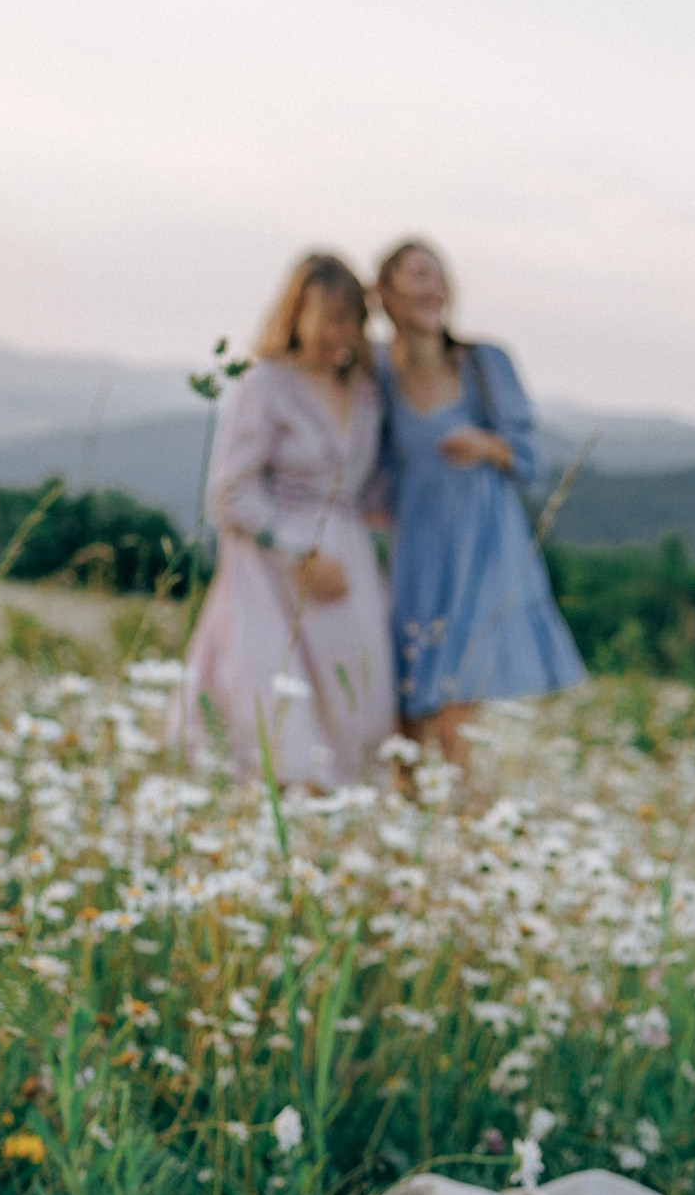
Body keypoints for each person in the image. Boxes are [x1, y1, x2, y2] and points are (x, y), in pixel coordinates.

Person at [182, 251, 393, 785]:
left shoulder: (366, 393)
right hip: (271, 568)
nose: (337, 331)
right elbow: (230, 490)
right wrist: (293, 551)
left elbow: (370, 487)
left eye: (349, 318)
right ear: (296, 313)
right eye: (326, 316)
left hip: (350, 561)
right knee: (275, 702)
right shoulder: (267, 384)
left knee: (355, 698)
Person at [374, 238, 584, 768]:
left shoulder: (484, 364)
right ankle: (409, 828)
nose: (433, 286)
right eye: (417, 274)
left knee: (455, 715)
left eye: (438, 274)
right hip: (418, 553)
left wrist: (486, 445)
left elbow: (533, 464)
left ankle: (470, 822)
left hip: (483, 547)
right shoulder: (380, 374)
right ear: (386, 293)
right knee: (406, 718)